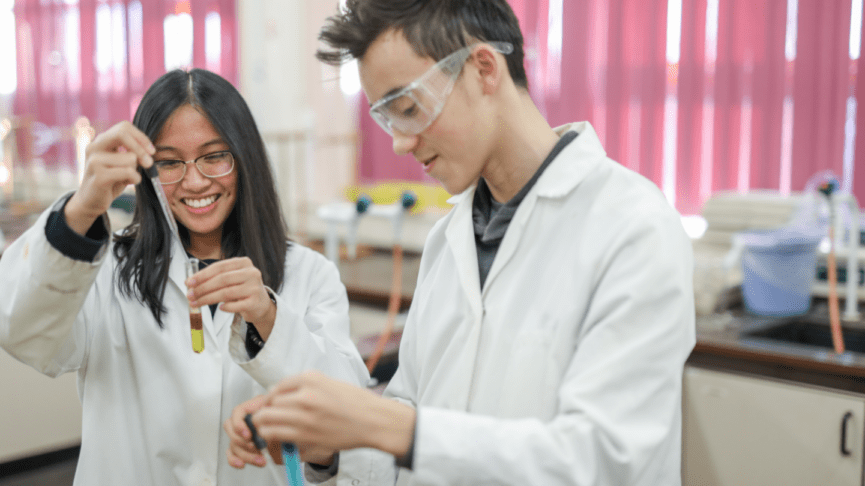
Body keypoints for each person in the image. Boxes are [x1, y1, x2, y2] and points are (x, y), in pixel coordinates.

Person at [231, 1, 696, 484]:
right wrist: (333, 447)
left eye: (408, 108)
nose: (399, 143)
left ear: (483, 68)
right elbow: (414, 431)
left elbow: (601, 459)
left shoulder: (632, 228)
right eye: (387, 119)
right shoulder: (449, 240)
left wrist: (383, 423)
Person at [0, 68, 369, 485]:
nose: (194, 181)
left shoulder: (308, 274)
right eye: (169, 162)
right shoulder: (105, 271)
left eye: (214, 156)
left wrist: (269, 319)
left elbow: (348, 420)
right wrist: (82, 209)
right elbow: (21, 330)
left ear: (245, 157)